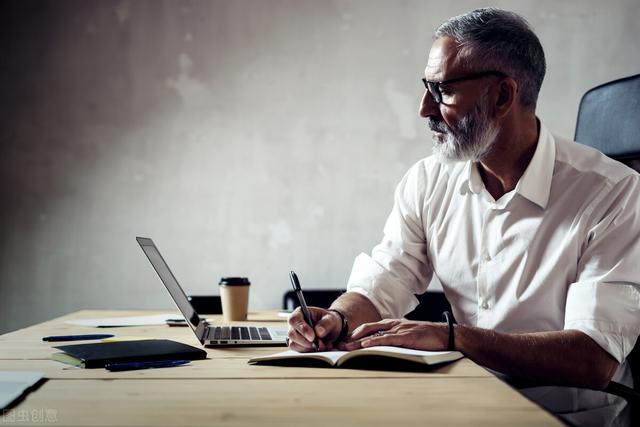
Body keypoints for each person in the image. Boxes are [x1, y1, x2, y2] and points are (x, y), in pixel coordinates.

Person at [287, 7, 640, 390]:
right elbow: (387, 279)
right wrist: (337, 319)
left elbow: (593, 359)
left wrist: (453, 337)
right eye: (426, 87)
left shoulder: (614, 193)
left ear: (503, 95)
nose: (424, 108)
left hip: (569, 414)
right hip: (465, 400)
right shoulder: (426, 180)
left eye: (443, 90)